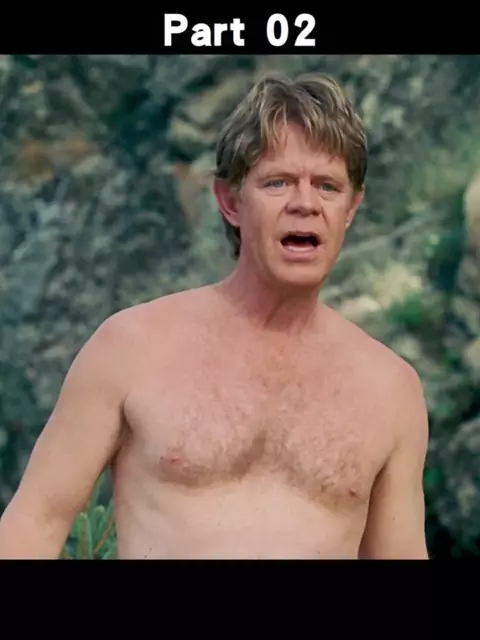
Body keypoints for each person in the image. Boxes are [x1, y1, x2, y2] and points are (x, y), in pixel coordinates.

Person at [0, 71, 430, 559]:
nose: (305, 204)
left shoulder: (390, 390)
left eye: (327, 186)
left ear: (351, 208)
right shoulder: (131, 348)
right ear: (230, 202)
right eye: (278, 182)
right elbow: (34, 522)